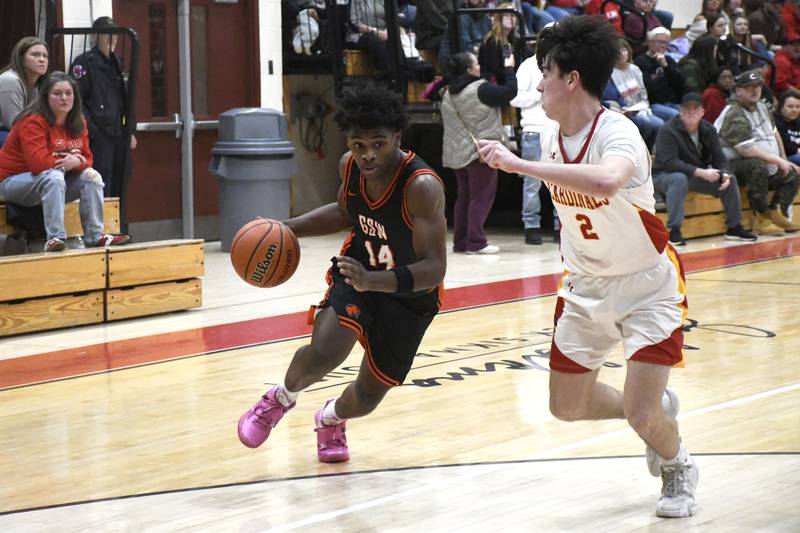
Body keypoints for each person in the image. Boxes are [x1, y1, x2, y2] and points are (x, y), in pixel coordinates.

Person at [478, 15, 699, 518]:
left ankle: (678, 463)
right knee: (566, 407)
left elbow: (604, 183)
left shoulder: (617, 133)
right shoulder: (555, 137)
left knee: (643, 415)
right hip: (584, 286)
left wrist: (519, 165)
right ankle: (653, 413)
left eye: (545, 72)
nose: (539, 83)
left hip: (647, 284)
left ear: (571, 78)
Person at [237, 85, 447, 462]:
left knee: (367, 396)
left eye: (378, 145)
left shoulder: (421, 186)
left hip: (409, 297)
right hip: (358, 272)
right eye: (358, 144)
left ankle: (330, 418)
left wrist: (377, 282)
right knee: (324, 352)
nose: (367, 155)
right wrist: (284, 227)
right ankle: (279, 399)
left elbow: (434, 268)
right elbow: (345, 212)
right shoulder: (349, 167)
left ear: (397, 137)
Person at [0, 72, 131, 251]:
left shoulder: (78, 121)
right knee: (53, 177)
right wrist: (70, 162)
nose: (64, 98)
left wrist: (77, 161)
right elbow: (37, 164)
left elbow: (88, 159)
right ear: (45, 97)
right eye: (57, 93)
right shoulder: (32, 121)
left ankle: (95, 236)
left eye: (68, 93)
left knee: (91, 176)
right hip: (12, 183)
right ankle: (55, 238)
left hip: (53, 180)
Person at [653, 92, 756, 246]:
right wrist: (700, 172)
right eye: (687, 108)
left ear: (702, 111)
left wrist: (725, 173)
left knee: (729, 180)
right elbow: (670, 163)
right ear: (680, 111)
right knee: (678, 178)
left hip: (691, 175)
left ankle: (734, 228)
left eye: (695, 108)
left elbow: (719, 157)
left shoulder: (708, 129)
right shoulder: (667, 130)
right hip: (662, 175)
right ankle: (674, 231)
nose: (691, 112)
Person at [441, 50, 517, 254]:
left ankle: (461, 242)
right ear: (469, 69)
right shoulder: (480, 89)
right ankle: (476, 242)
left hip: (457, 152)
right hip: (480, 151)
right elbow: (510, 92)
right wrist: (509, 68)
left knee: (464, 197)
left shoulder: (448, 92)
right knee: (481, 197)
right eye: (476, 63)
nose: (479, 66)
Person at [715, 69, 800, 233]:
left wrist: (783, 158)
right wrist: (777, 160)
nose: (754, 91)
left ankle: (777, 213)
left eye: (757, 86)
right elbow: (746, 150)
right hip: (731, 167)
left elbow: (774, 133)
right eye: (748, 87)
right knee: (756, 165)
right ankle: (761, 218)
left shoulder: (763, 107)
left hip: (766, 162)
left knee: (793, 173)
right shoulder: (733, 112)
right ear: (738, 91)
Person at [70, 17, 137, 200]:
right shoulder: (84, 62)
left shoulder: (118, 63)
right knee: (101, 181)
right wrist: (93, 131)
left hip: (119, 133)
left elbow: (127, 101)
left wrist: (130, 130)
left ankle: (119, 224)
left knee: (122, 179)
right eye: (106, 34)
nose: (111, 39)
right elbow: (77, 102)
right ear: (95, 36)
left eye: (114, 34)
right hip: (98, 135)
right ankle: (102, 227)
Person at [510, 51, 559, 245]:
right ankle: (531, 227)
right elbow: (514, 99)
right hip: (534, 130)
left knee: (561, 183)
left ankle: (560, 227)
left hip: (558, 129)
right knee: (532, 184)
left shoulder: (563, 62)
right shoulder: (528, 65)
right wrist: (540, 95)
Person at [603, 38, 663, 151]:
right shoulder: (610, 73)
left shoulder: (634, 69)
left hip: (642, 107)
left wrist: (644, 105)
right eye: (618, 51)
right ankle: (638, 150)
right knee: (653, 124)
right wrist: (625, 110)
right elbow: (613, 98)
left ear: (629, 52)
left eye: (624, 50)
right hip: (625, 110)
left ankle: (647, 151)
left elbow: (643, 91)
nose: (621, 54)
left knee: (662, 121)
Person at [0, 37, 48, 147]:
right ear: (21, 58)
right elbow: (14, 124)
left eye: (45, 56)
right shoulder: (10, 80)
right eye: (35, 55)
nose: (42, 59)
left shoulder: (34, 83)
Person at [635, 27, 686, 121]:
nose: (663, 45)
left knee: (693, 114)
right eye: (659, 42)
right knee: (677, 116)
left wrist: (665, 66)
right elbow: (648, 87)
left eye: (665, 43)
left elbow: (680, 83)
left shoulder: (668, 60)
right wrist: (659, 76)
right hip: (654, 104)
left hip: (674, 102)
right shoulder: (641, 61)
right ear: (650, 42)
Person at [774, 87, 800, 164]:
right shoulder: (775, 122)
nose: (794, 110)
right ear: (781, 107)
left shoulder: (798, 120)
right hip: (786, 158)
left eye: (798, 107)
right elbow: (787, 148)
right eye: (790, 106)